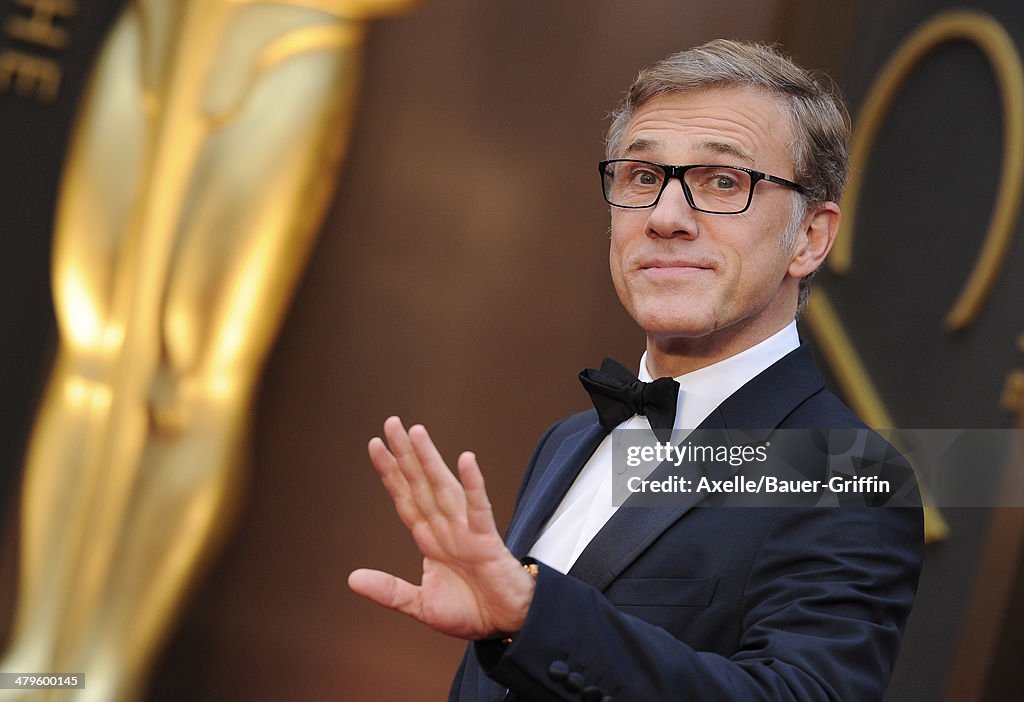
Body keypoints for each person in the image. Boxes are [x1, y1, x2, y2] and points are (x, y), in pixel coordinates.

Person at [348, 39, 923, 701]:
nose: (665, 218)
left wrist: (536, 615)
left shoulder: (847, 473)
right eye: (643, 178)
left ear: (810, 238)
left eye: (723, 182)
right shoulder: (565, 443)